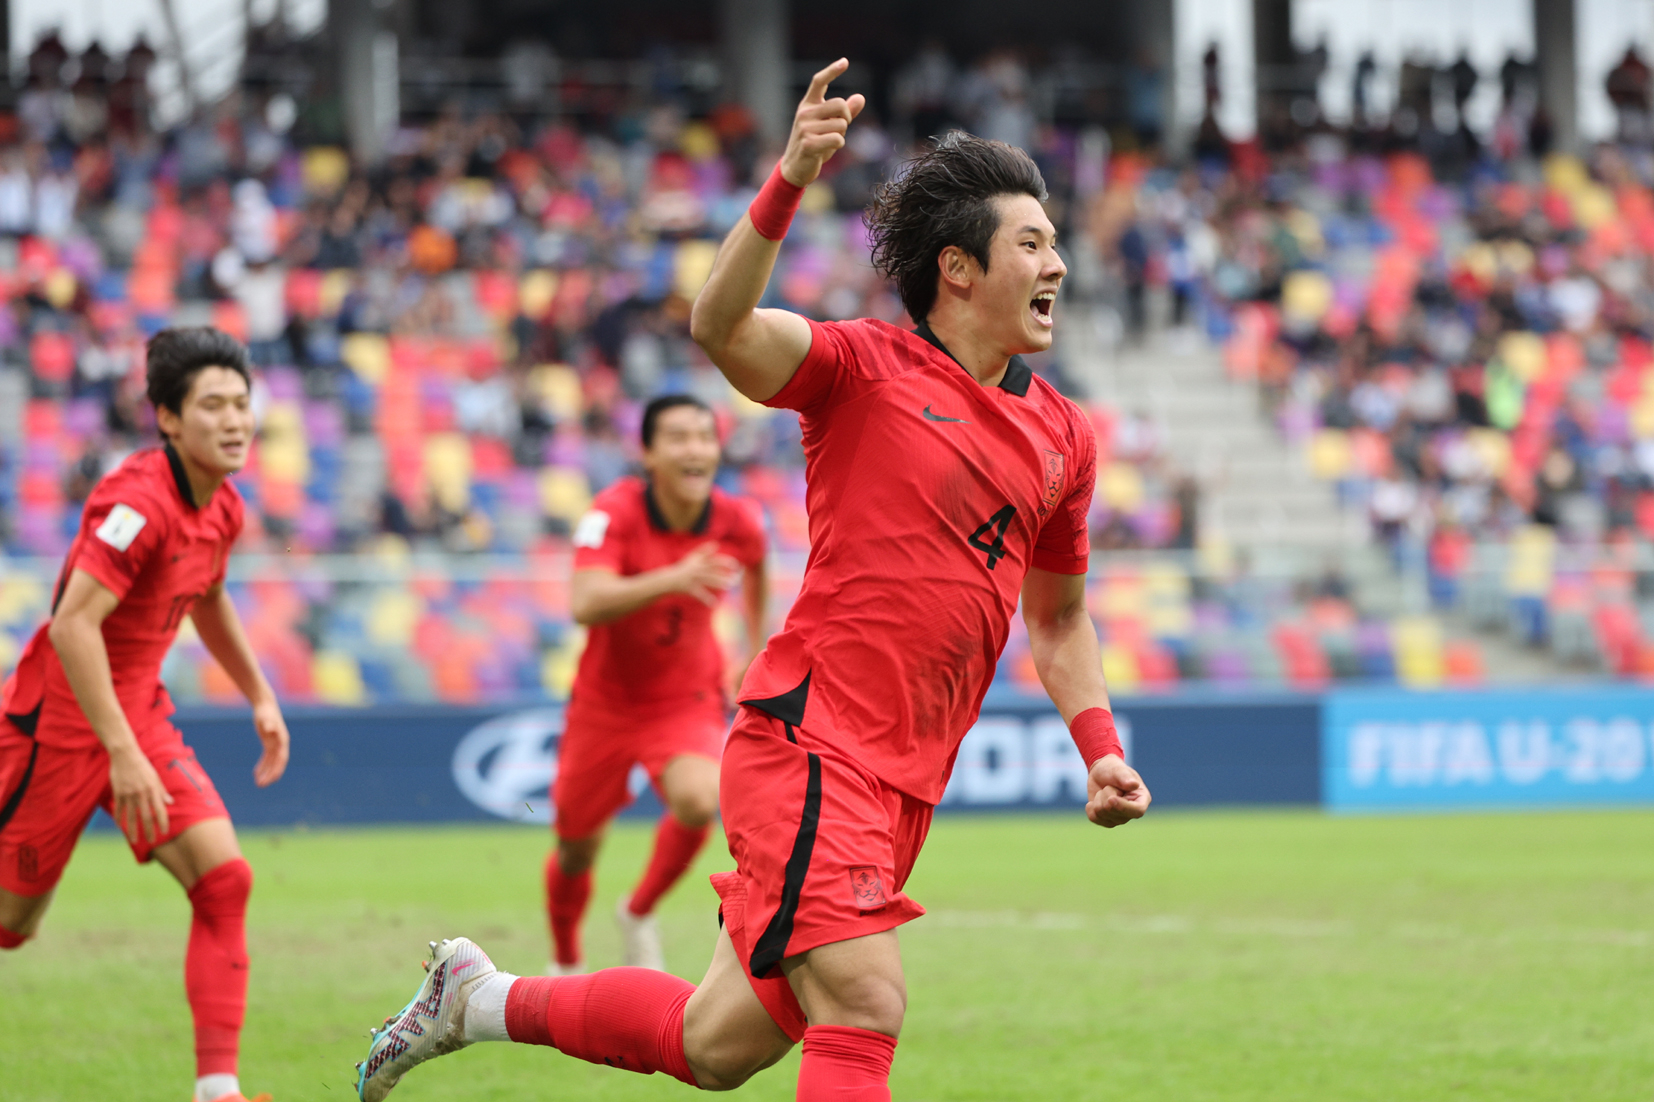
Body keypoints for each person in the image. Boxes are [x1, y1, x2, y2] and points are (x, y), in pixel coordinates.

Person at [354, 59, 1149, 1102]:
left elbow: (1060, 619)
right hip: (812, 741)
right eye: (1032, 244)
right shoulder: (861, 371)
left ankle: (480, 998)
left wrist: (1099, 748)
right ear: (958, 269)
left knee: (716, 1043)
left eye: (1053, 243)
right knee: (863, 1000)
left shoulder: (1062, 434)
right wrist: (785, 181)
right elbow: (719, 329)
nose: (1057, 264)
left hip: (907, 778)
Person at [0, 327, 289, 1102]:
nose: (235, 422)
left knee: (225, 880)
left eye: (242, 404)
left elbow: (210, 594)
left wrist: (259, 692)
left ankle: (217, 1091)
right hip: (53, 732)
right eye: (213, 406)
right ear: (167, 417)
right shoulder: (136, 503)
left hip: (137, 718)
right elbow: (71, 625)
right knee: (10, 929)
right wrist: (118, 751)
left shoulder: (222, 504)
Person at [548, 393, 768, 975]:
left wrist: (753, 645)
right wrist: (673, 577)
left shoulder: (736, 518)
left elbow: (759, 564)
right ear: (647, 453)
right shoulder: (614, 511)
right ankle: (566, 962)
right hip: (604, 703)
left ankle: (639, 911)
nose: (695, 448)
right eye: (678, 437)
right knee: (575, 849)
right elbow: (585, 601)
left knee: (701, 800)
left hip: (685, 697)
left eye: (705, 436)